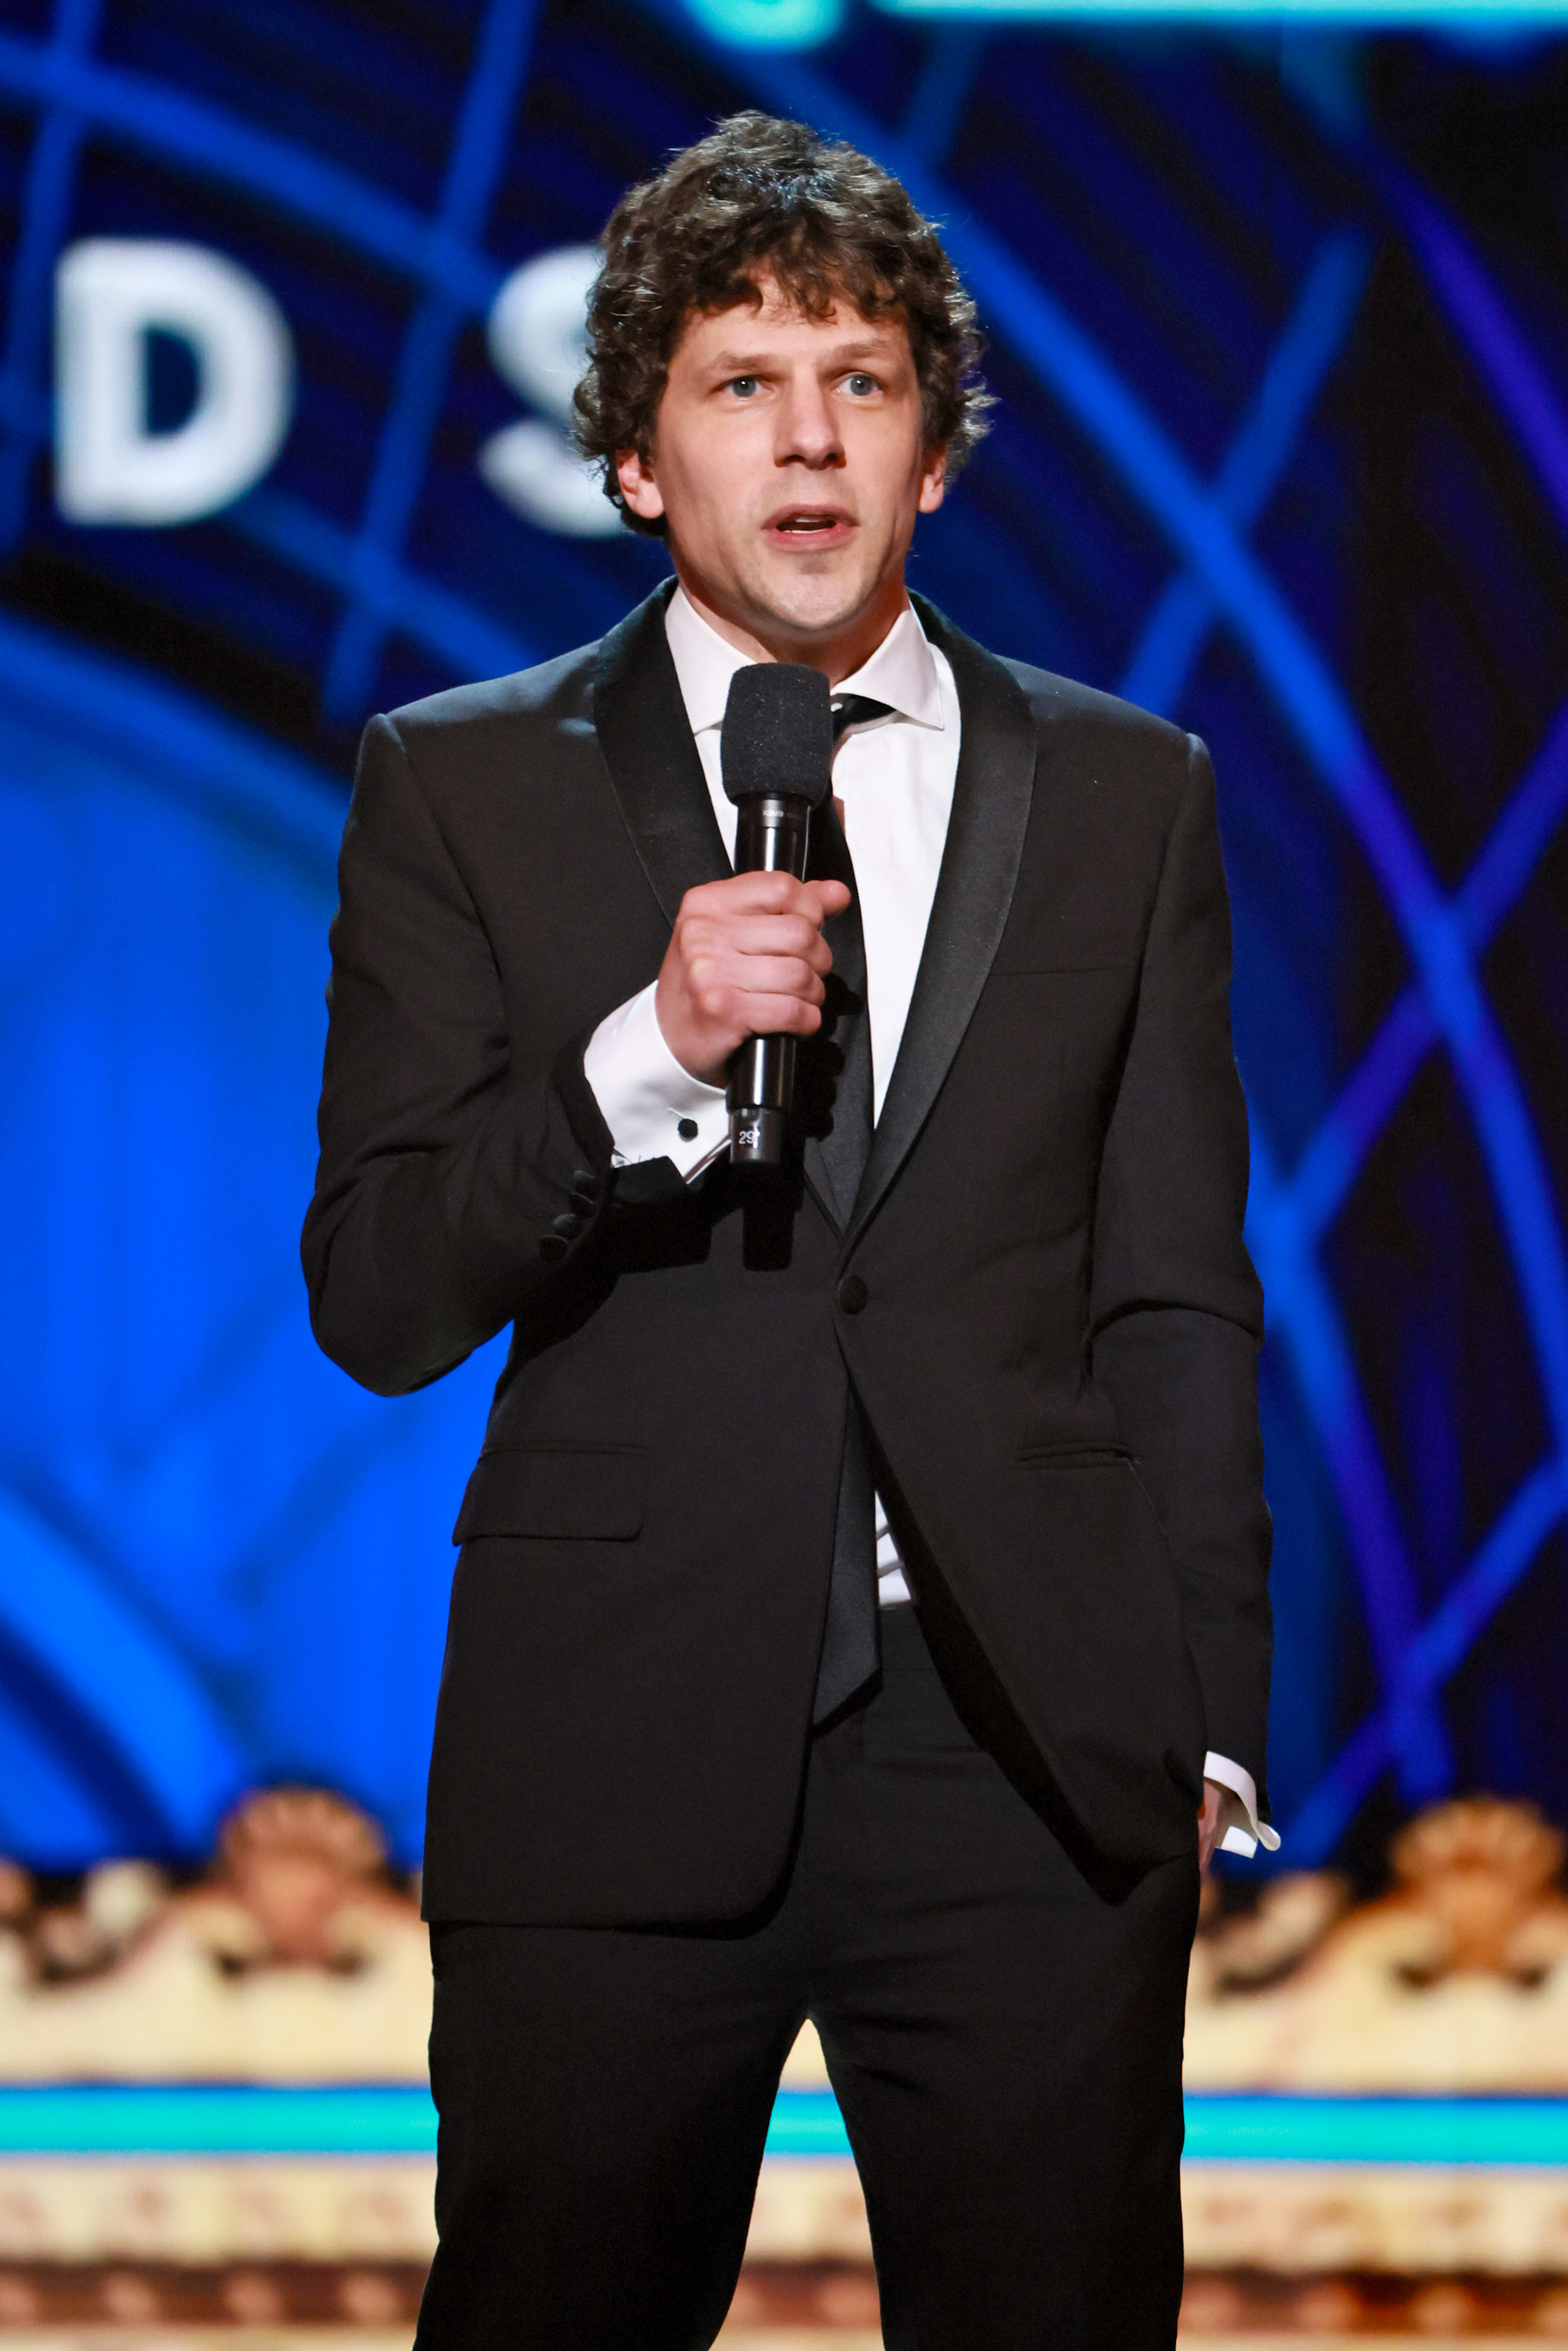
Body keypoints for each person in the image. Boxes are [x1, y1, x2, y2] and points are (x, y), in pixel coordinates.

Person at [302, 110, 1276, 2351]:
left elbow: (1173, 1277)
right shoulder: (463, 779)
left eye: (862, 381)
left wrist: (1197, 1705)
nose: (809, 438)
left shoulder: (1128, 787)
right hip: (617, 1734)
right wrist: (640, 1052)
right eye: (742, 383)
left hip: (1027, 1741)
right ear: (640, 458)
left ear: (935, 450)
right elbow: (373, 1288)